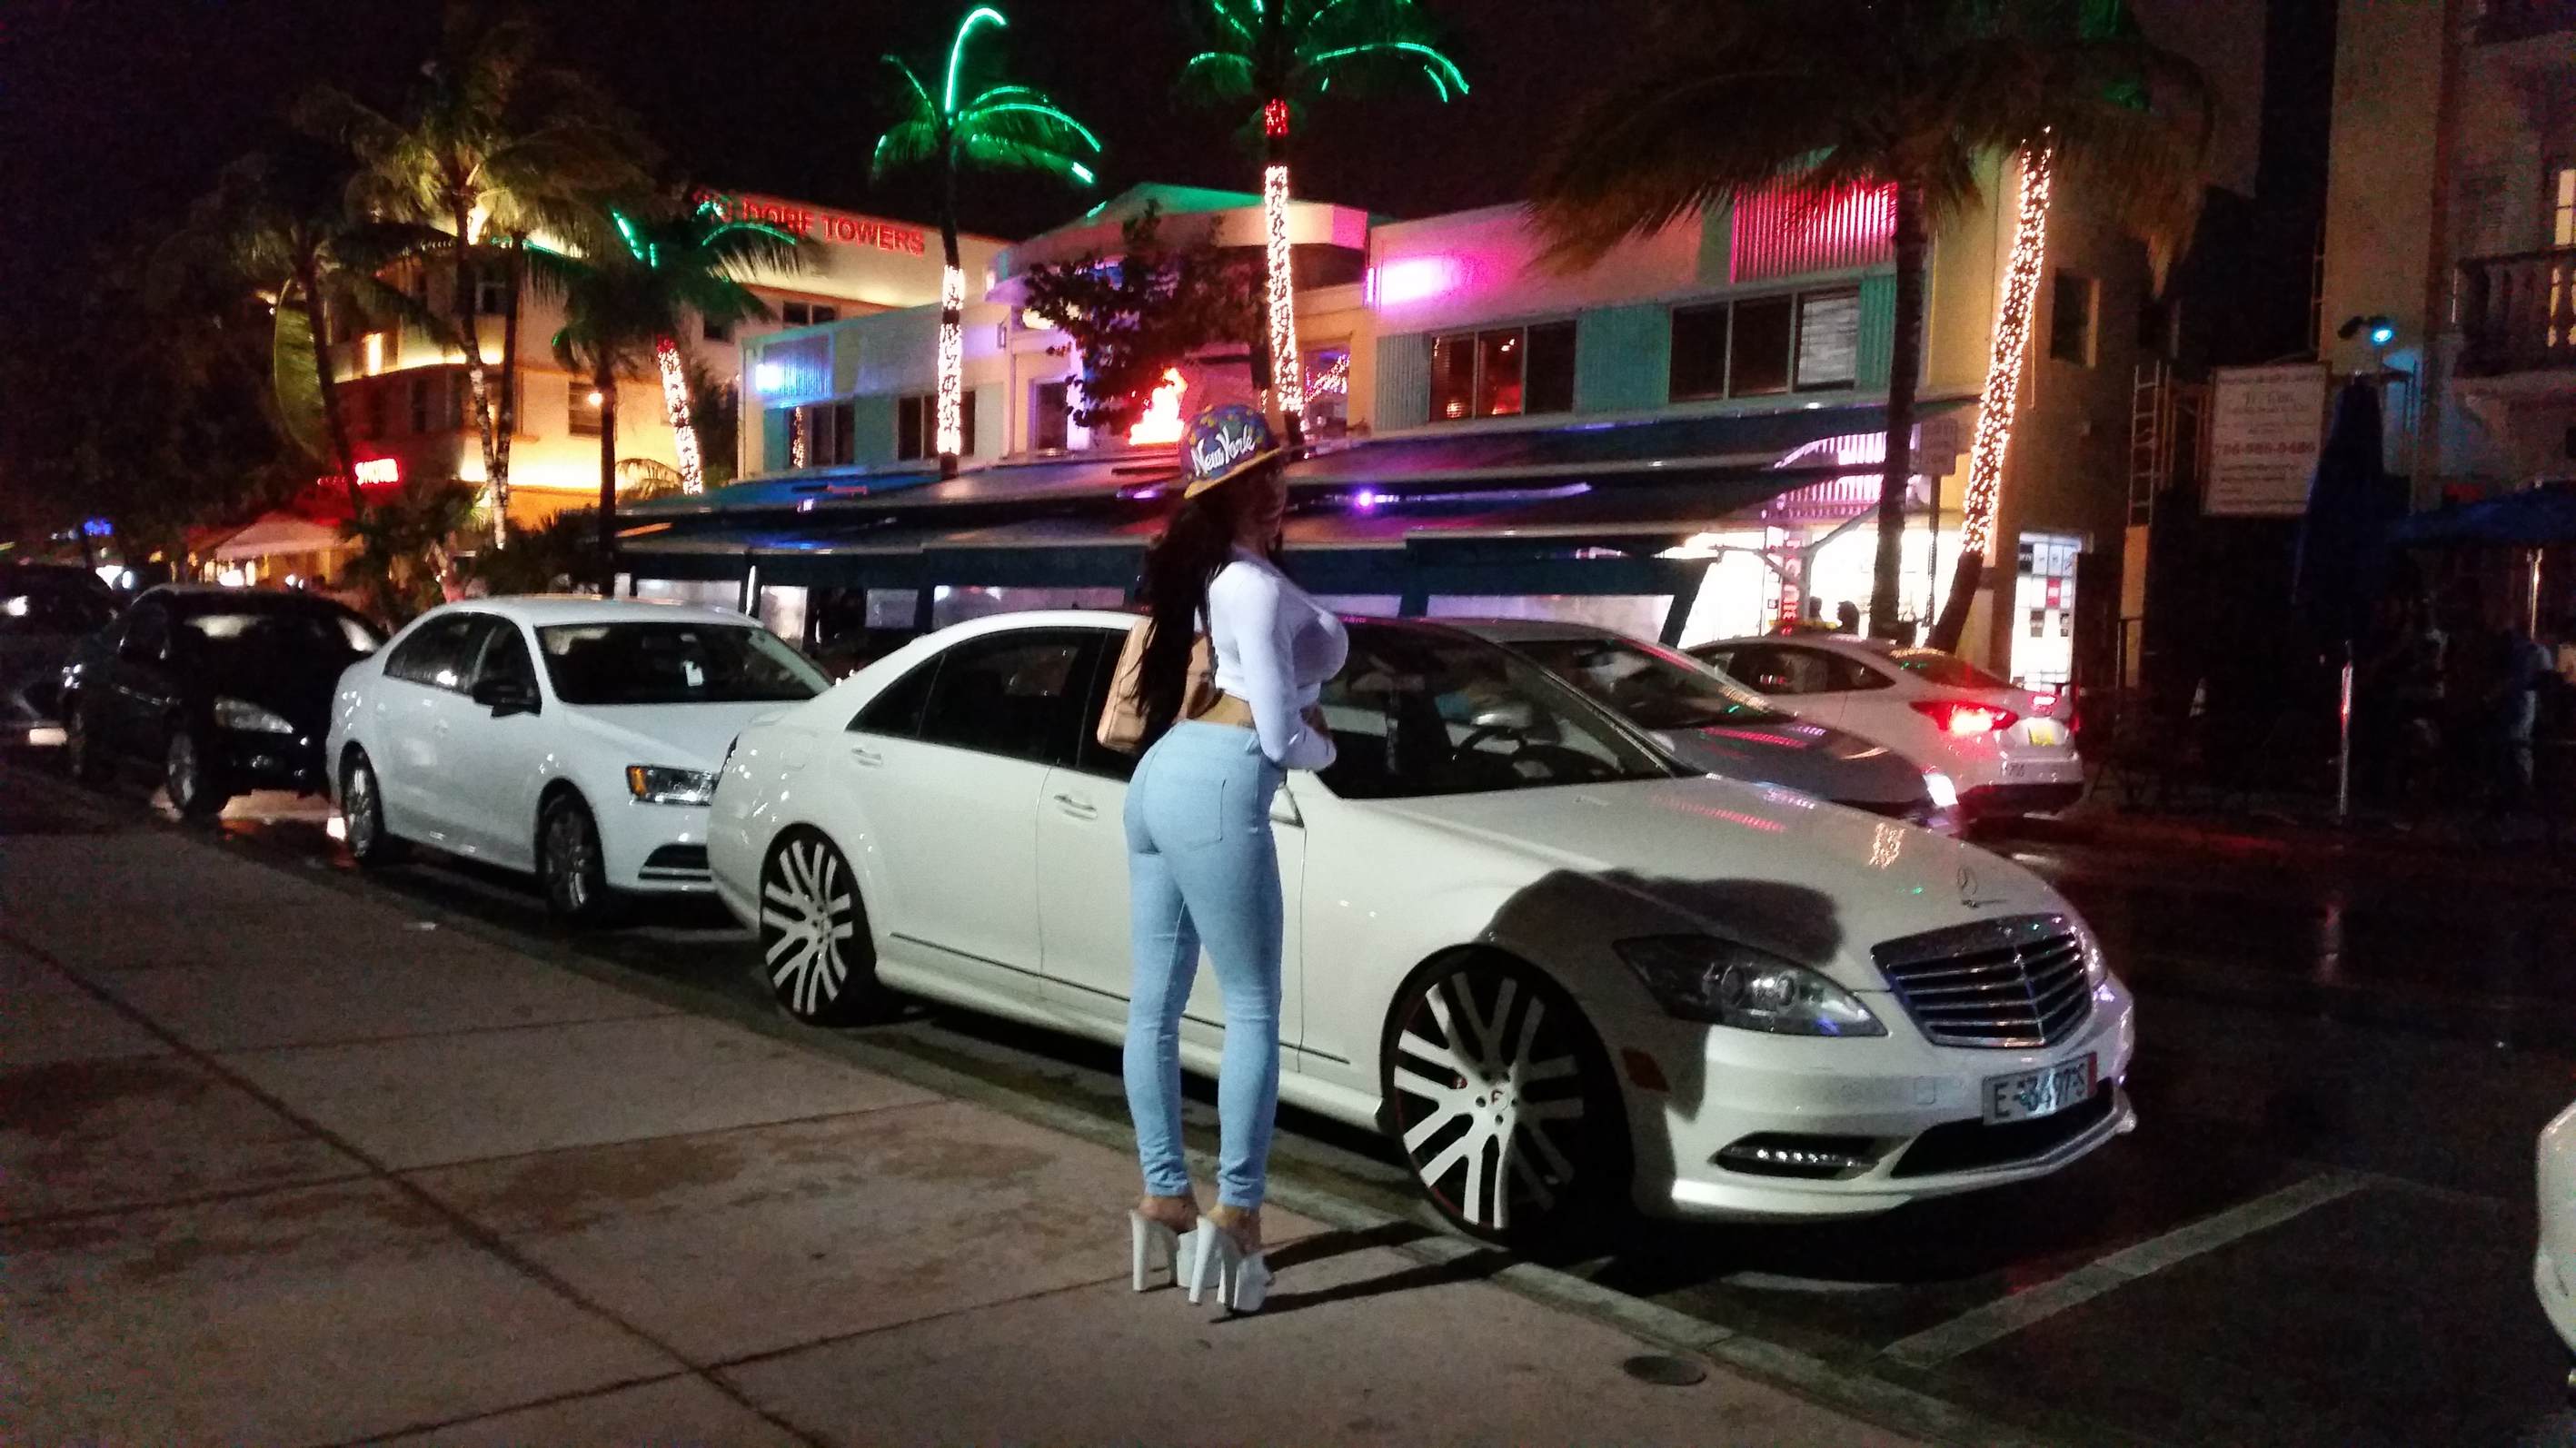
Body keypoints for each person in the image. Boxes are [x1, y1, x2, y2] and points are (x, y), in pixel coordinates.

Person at [1121, 404, 1346, 1314]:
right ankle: (1240, 1215)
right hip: (1217, 779)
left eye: (1275, 470)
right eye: (1257, 477)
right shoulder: (1251, 585)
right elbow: (1282, 737)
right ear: (1225, 494)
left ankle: (1165, 1198)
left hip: (1164, 774)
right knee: (1251, 1005)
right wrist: (1328, 743)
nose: (1275, 487)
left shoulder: (1228, 577)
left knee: (1156, 1005)